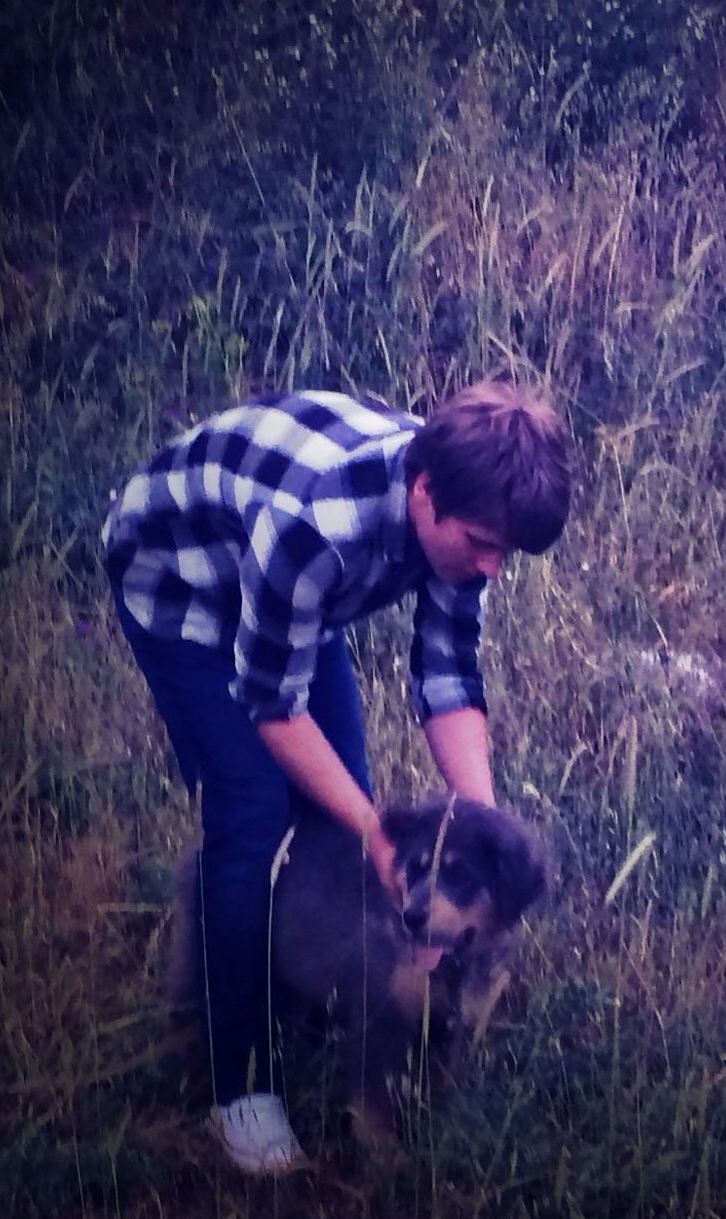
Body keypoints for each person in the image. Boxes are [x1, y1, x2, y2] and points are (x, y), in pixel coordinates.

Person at [102, 381, 571, 1174]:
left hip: (284, 602)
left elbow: (448, 674)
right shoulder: (317, 529)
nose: (491, 564)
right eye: (482, 543)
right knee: (251, 817)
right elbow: (269, 703)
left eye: (505, 551)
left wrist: (481, 825)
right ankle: (236, 1077)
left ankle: (316, 1002)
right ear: (424, 494)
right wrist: (378, 833)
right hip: (181, 581)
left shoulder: (464, 502)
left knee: (333, 817)